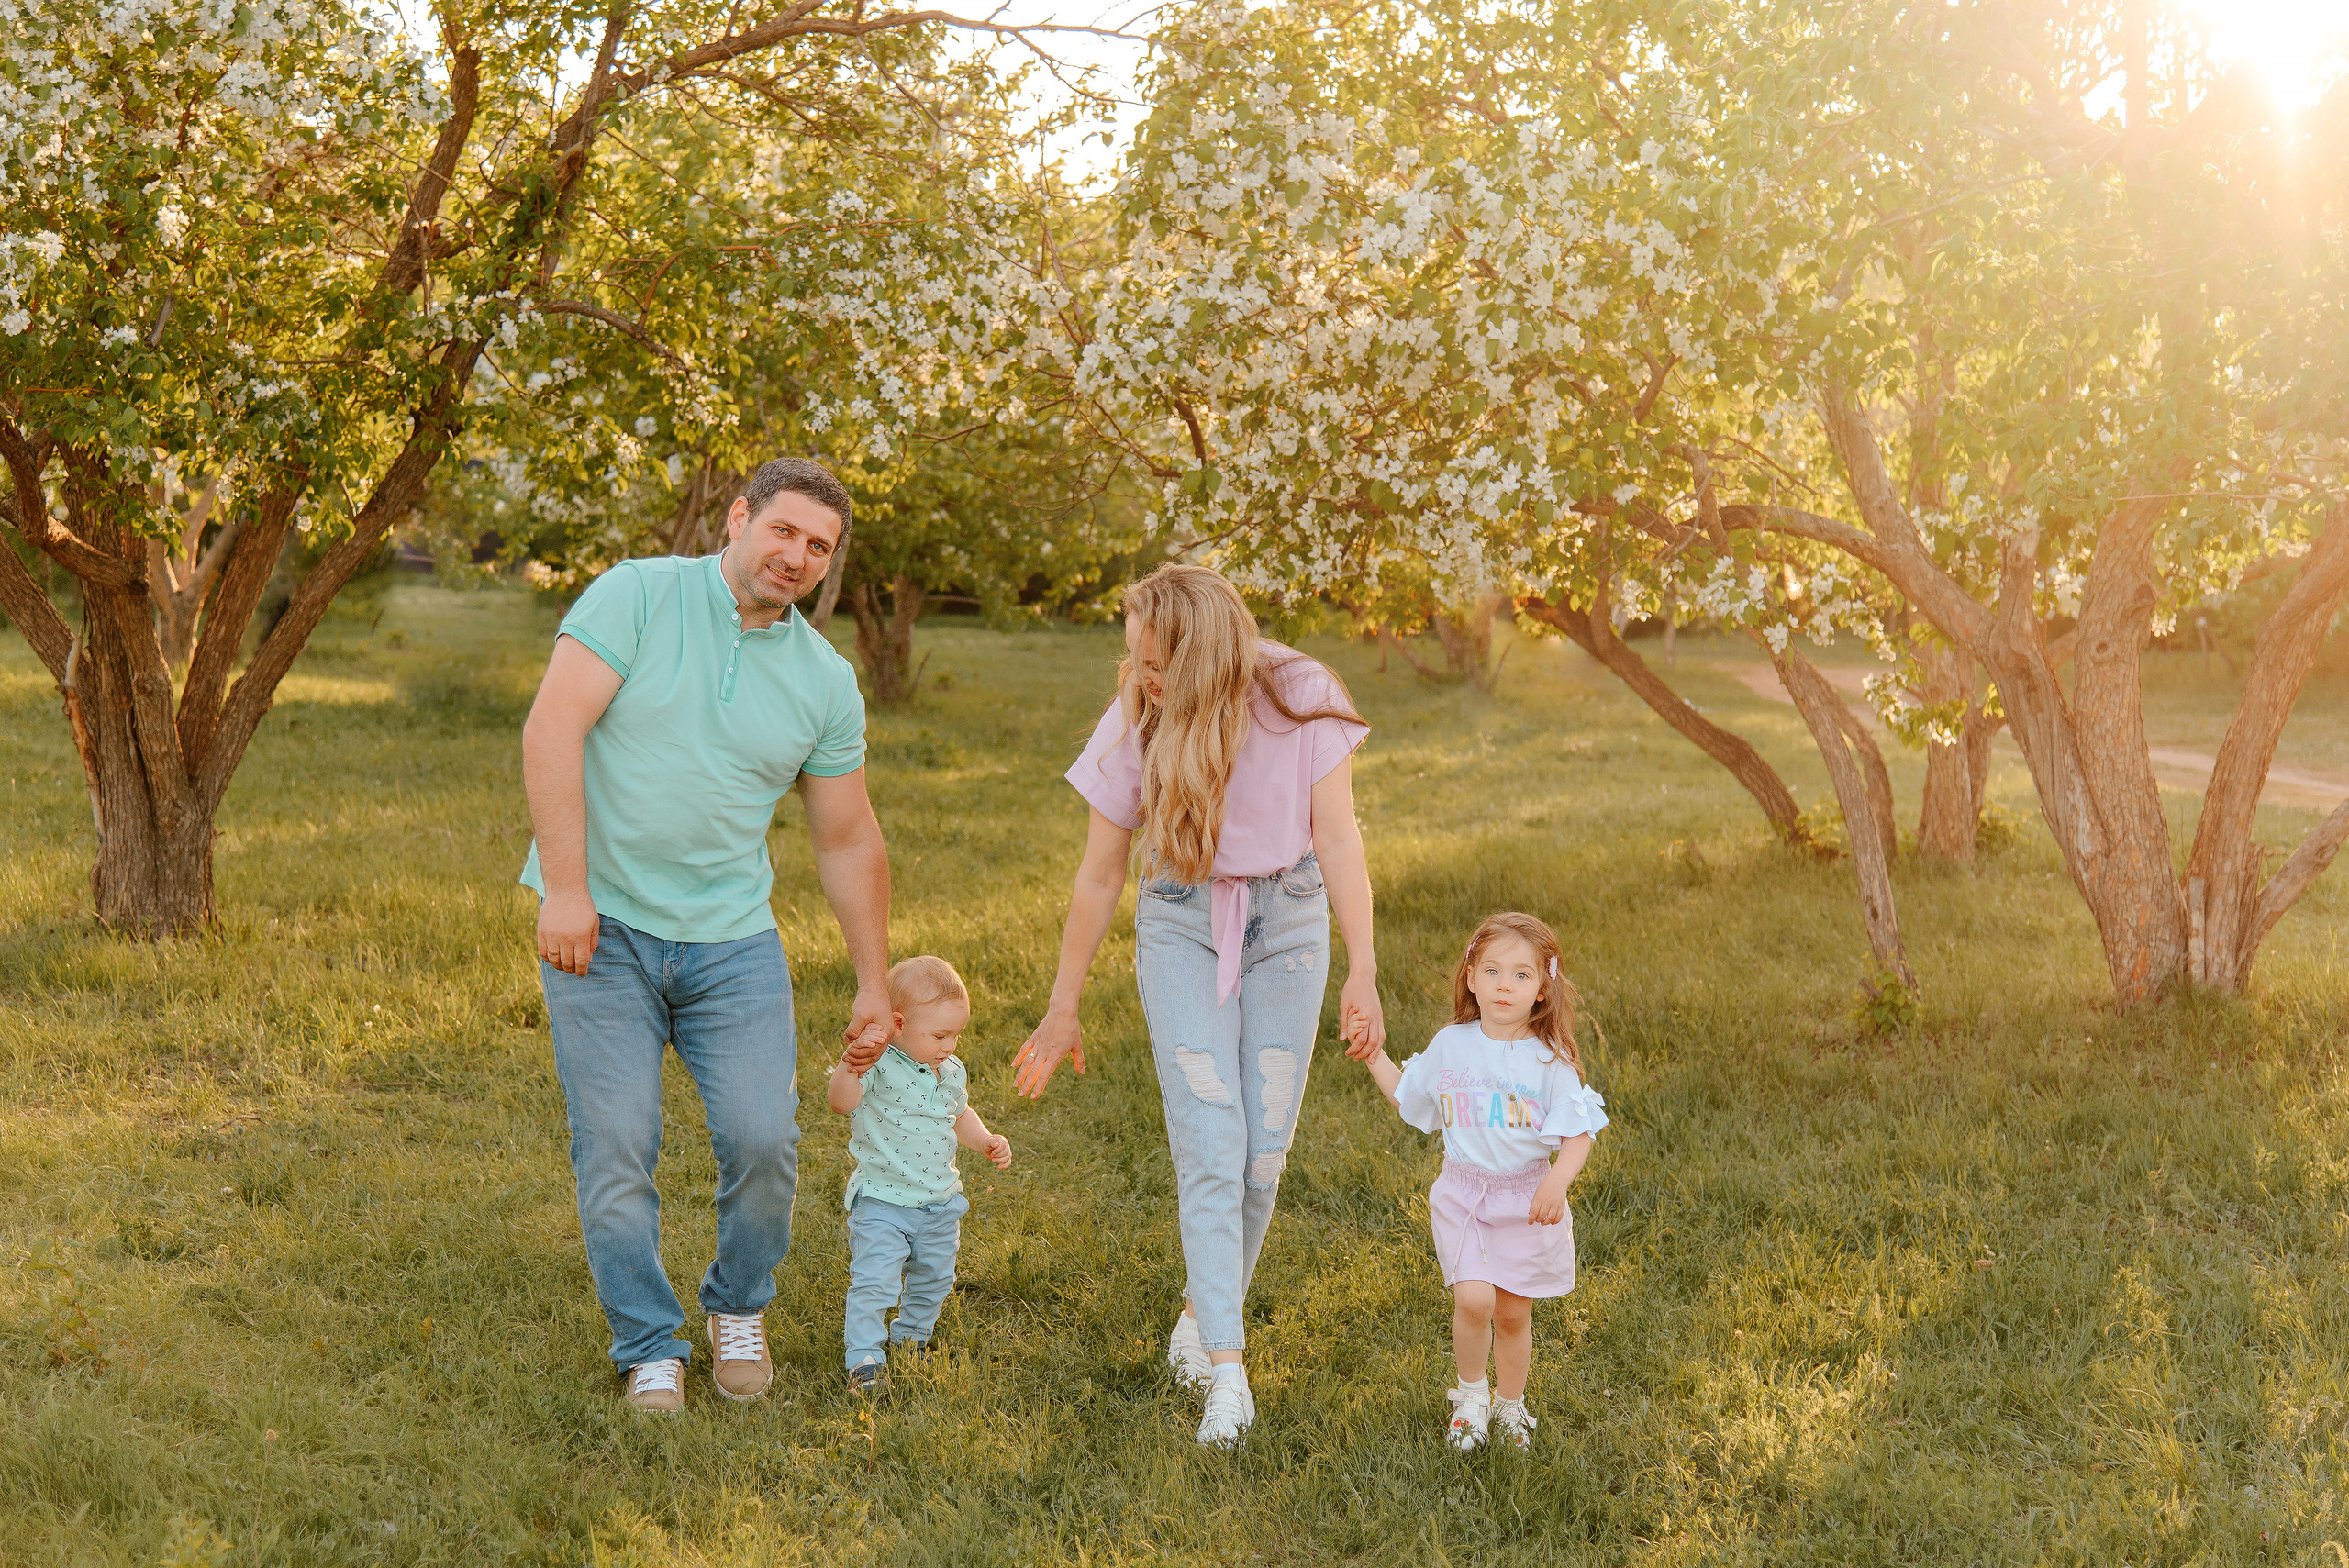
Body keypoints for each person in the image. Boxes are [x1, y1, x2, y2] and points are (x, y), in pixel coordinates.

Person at [519, 456, 896, 1416]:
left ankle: (737, 1304)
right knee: (617, 1143)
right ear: (739, 518)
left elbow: (848, 836)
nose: (797, 555)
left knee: (763, 1137)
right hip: (600, 930)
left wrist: (871, 982)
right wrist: (566, 889)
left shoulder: (824, 681)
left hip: (732, 940)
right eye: (784, 531)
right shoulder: (639, 594)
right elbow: (553, 726)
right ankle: (649, 1342)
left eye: (818, 545)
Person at [1012, 562, 1384, 1449]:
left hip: (1289, 924)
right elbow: (1101, 872)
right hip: (1183, 918)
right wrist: (1063, 1007)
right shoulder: (1140, 710)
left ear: (1210, 654)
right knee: (1211, 1137)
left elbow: (1337, 835)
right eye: (1135, 657)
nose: (1142, 676)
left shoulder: (1299, 692)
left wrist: (1362, 968)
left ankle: (1197, 1312)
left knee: (1262, 1151)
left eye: (1157, 661)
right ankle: (1228, 1369)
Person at [1349, 911, 1609, 1451]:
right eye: (1492, 970)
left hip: (1527, 1200)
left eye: (1521, 974)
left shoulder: (1550, 1062)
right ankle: (1470, 1396)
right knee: (1473, 1299)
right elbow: (1410, 1097)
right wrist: (1374, 1055)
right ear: (1471, 977)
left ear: (1543, 988)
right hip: (1464, 1197)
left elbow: (1577, 1135)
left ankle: (1510, 1404)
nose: (1504, 985)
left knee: (1513, 1313)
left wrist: (1557, 1183)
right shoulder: (1452, 1045)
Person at [827, 955, 1013, 1391]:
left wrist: (985, 1139)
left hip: (939, 1201)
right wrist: (850, 1064)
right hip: (882, 1201)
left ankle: (912, 1337)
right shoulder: (878, 1063)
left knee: (935, 1278)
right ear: (898, 1023)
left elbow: (960, 1113)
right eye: (941, 1035)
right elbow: (841, 1102)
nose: (950, 1045)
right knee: (875, 1282)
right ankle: (865, 1358)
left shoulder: (949, 1070)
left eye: (956, 1035)